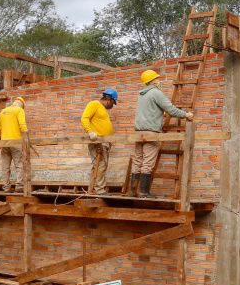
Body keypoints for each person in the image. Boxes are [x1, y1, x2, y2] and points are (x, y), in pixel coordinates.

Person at [131, 70, 193, 198]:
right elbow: (170, 109)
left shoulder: (141, 94)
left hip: (139, 132)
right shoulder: (156, 93)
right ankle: (143, 192)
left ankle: (132, 191)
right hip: (151, 132)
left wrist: (160, 114)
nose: (159, 80)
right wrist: (186, 115)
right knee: (148, 162)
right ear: (154, 81)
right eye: (157, 79)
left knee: (137, 160)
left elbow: (150, 110)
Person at [81, 89, 118, 195]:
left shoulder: (102, 108)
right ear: (109, 99)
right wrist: (90, 132)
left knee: (99, 165)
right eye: (113, 103)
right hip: (98, 141)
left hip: (104, 142)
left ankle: (92, 189)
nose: (112, 105)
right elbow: (84, 118)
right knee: (101, 164)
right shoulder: (94, 104)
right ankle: (99, 190)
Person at [0, 97, 28, 193]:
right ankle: (19, 186)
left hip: (5, 143)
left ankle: (6, 187)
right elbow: (23, 125)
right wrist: (26, 139)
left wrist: (0, 139)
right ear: (22, 105)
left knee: (5, 166)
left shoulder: (3, 111)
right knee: (19, 164)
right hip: (16, 143)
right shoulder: (19, 110)